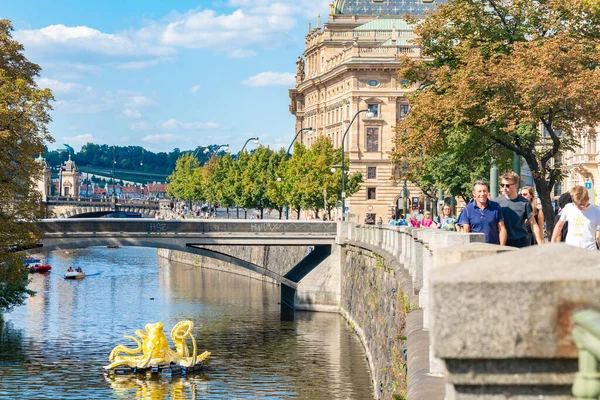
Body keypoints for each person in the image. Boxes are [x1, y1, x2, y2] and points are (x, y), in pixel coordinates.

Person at [494, 172, 543, 248]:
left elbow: (533, 224)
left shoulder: (524, 203)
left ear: (516, 185)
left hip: (520, 241)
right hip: (502, 241)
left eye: (507, 185)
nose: (504, 188)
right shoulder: (496, 202)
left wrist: (541, 244)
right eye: (502, 185)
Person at [551, 185, 600, 249]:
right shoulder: (568, 208)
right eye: (577, 205)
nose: (580, 207)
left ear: (588, 199)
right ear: (573, 200)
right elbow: (559, 226)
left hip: (589, 250)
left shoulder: (596, 211)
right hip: (571, 250)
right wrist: (552, 242)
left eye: (582, 204)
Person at [459, 180, 507, 245]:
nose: (482, 194)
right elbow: (466, 231)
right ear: (474, 193)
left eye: (484, 191)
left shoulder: (496, 207)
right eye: (479, 191)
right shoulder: (468, 209)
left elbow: (502, 228)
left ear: (487, 192)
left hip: (493, 248)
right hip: (475, 248)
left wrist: (502, 247)